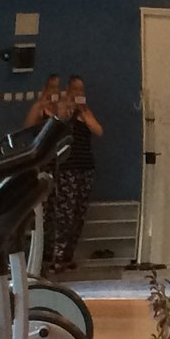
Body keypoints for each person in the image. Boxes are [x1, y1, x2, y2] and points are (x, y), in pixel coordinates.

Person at [45, 73, 102, 270]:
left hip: (85, 166)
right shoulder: (61, 107)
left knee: (79, 212)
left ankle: (68, 255)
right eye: (75, 89)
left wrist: (83, 112)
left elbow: (98, 130)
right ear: (68, 89)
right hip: (65, 168)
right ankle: (56, 256)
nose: (79, 93)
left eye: (81, 90)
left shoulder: (85, 112)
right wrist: (68, 106)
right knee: (64, 213)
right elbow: (58, 121)